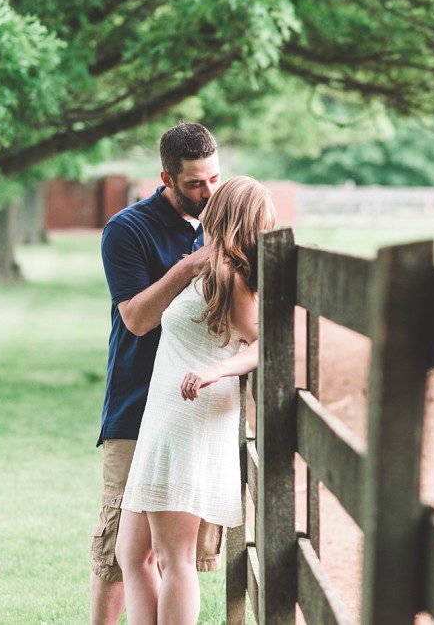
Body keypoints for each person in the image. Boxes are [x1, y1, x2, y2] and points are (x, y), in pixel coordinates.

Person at [115, 177, 275, 624]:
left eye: (215, 196)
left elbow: (266, 343)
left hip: (189, 421)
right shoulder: (207, 267)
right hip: (162, 419)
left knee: (175, 557)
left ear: (225, 212)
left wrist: (215, 371)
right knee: (131, 553)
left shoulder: (229, 277)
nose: (206, 198)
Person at [90, 122, 224, 625]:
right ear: (166, 177)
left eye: (214, 178)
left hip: (196, 413)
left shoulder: (224, 223)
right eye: (194, 183)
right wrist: (189, 267)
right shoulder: (127, 230)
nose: (208, 192)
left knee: (181, 555)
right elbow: (137, 318)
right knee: (118, 552)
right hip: (135, 406)